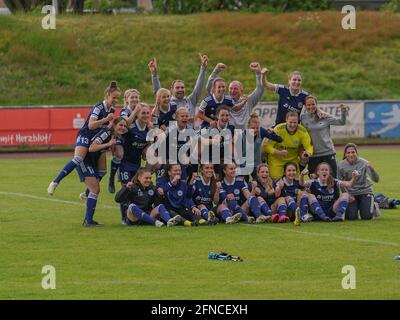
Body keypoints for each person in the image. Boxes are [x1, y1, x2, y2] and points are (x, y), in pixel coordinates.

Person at [48, 81, 120, 195]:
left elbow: (105, 127)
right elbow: (91, 125)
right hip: (86, 134)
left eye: (117, 98)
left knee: (102, 171)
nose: (116, 100)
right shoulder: (98, 107)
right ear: (107, 95)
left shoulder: (111, 110)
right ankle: (55, 182)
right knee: (78, 159)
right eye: (114, 97)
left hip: (96, 138)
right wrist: (106, 120)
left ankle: (86, 193)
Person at [78, 117, 128, 227]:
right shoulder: (106, 133)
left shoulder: (114, 136)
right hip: (84, 160)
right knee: (95, 189)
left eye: (125, 126)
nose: (123, 127)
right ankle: (88, 221)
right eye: (120, 125)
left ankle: (88, 216)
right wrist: (108, 145)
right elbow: (91, 148)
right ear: (114, 125)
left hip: (91, 161)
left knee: (102, 173)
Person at [117, 104, 152, 224]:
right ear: (137, 114)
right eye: (143, 113)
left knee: (134, 189)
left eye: (147, 113)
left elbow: (148, 148)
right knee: (126, 189)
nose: (146, 115)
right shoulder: (130, 128)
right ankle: (124, 218)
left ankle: (132, 216)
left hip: (137, 164)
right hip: (125, 163)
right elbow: (118, 133)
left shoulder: (149, 129)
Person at [205, 62, 266, 129]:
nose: (232, 91)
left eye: (235, 89)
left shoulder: (248, 101)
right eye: (230, 89)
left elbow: (260, 89)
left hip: (246, 136)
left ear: (242, 91)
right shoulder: (224, 101)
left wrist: (258, 73)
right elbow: (209, 88)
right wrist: (215, 71)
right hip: (229, 136)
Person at [148, 54, 208, 121]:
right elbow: (159, 92)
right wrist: (154, 75)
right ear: (172, 90)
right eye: (177, 88)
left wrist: (203, 68)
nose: (180, 89)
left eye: (182, 87)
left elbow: (199, 86)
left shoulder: (191, 100)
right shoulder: (168, 102)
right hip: (173, 131)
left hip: (190, 131)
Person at [115, 167, 182, 227]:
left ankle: (169, 221)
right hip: (134, 218)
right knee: (131, 206)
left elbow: (157, 204)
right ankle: (155, 222)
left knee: (160, 206)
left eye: (150, 178)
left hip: (148, 215)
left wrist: (160, 196)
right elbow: (117, 199)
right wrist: (125, 188)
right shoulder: (132, 187)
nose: (149, 180)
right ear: (139, 178)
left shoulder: (152, 188)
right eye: (146, 178)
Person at [301, 95, 349, 177]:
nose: (311, 106)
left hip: (328, 153)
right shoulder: (302, 118)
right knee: (314, 183)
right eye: (308, 105)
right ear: (305, 106)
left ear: (316, 104)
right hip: (313, 155)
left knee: (333, 181)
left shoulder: (324, 116)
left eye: (313, 104)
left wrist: (343, 111)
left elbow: (341, 122)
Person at [108, 89, 141, 193]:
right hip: (121, 137)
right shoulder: (125, 110)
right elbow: (125, 123)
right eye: (132, 97)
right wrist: (135, 112)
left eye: (136, 97)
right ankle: (111, 178)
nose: (134, 99)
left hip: (132, 139)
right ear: (126, 100)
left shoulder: (140, 110)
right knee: (119, 154)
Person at [264, 112, 313, 180]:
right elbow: (267, 146)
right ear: (286, 120)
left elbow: (309, 147)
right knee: (276, 183)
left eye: (295, 122)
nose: (293, 125)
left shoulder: (302, 131)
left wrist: (308, 153)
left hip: (292, 161)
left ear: (298, 121)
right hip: (276, 160)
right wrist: (279, 152)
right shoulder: (278, 129)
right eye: (290, 122)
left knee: (293, 183)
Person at [337, 143, 380, 220]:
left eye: (353, 152)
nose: (351, 155)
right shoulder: (341, 165)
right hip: (351, 194)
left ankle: (374, 205)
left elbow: (376, 180)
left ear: (357, 153)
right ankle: (359, 206)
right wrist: (347, 195)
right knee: (351, 217)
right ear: (345, 154)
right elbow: (340, 183)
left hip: (365, 191)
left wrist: (372, 169)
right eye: (348, 153)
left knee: (367, 217)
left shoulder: (364, 163)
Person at [241, 113, 283, 180]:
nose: (255, 130)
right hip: (243, 165)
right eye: (252, 128)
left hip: (256, 164)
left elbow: (280, 140)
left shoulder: (261, 131)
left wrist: (273, 133)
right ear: (248, 127)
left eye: (257, 128)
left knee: (259, 183)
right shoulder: (242, 135)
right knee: (243, 184)